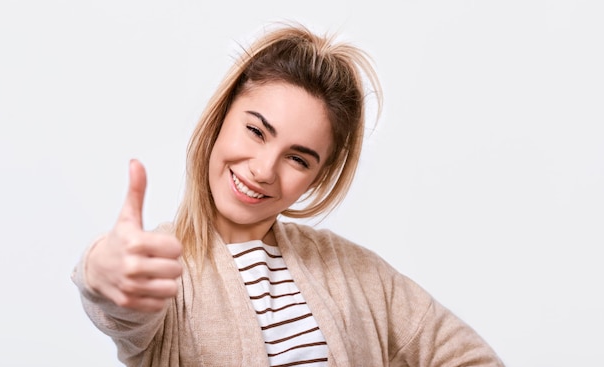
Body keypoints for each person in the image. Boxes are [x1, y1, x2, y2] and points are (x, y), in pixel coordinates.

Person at [72, 22, 505, 367]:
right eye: (256, 131)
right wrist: (100, 273)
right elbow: (123, 309)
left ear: (319, 175)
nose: (263, 170)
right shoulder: (166, 268)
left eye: (298, 159)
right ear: (222, 115)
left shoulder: (355, 272)